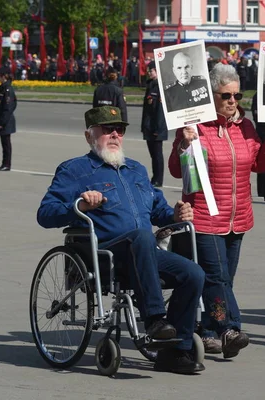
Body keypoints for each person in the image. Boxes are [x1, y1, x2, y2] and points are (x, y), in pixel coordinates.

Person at [37, 106, 206, 375]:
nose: (115, 135)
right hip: (104, 255)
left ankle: (175, 351)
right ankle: (153, 319)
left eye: (120, 130)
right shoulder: (75, 170)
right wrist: (79, 205)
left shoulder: (136, 170)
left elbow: (158, 212)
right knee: (140, 237)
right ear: (89, 135)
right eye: (107, 130)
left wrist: (175, 214)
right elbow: (45, 214)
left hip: (144, 253)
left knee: (194, 273)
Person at [168, 64, 265, 358]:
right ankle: (229, 328)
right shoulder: (196, 126)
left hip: (238, 218)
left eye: (237, 95)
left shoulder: (244, 126)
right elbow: (175, 170)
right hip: (205, 216)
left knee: (224, 280)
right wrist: (184, 143)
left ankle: (208, 331)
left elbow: (259, 164)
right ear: (211, 95)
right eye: (226, 95)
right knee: (217, 278)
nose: (233, 101)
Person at [141, 61, 167, 187]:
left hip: (156, 127)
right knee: (153, 155)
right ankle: (154, 177)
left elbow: (160, 111)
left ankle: (158, 179)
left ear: (157, 72)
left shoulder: (160, 87)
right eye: (149, 70)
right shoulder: (150, 85)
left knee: (157, 155)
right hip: (149, 126)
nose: (149, 73)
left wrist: (157, 128)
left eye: (151, 71)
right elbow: (147, 110)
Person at [0, 68, 17, 171]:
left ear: (3, 76)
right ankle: (4, 163)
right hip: (3, 120)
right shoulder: (3, 88)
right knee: (4, 143)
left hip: (6, 121)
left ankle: (7, 164)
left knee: (6, 144)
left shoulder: (7, 89)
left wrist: (1, 122)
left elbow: (8, 107)